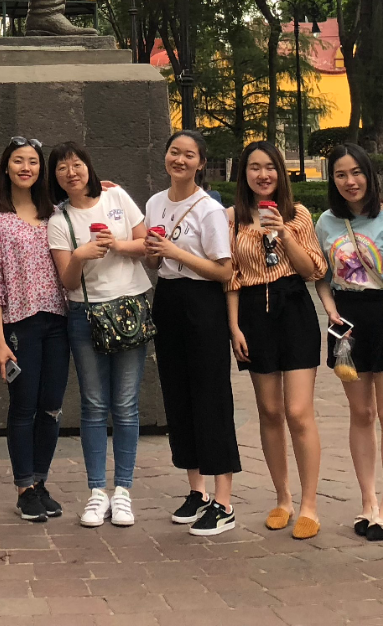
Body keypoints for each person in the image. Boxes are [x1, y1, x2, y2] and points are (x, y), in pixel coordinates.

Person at [314, 144, 383, 542]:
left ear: (370, 175)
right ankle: (367, 502)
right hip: (345, 324)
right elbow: (321, 274)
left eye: (357, 173)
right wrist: (329, 309)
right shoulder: (326, 221)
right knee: (360, 413)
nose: (350, 181)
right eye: (341, 174)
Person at [227, 140, 328, 540]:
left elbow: (315, 270)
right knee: (269, 411)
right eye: (254, 167)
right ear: (244, 174)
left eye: (270, 167)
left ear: (280, 173)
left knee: (298, 411)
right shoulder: (232, 218)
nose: (263, 174)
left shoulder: (297, 214)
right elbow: (231, 275)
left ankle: (310, 504)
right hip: (252, 314)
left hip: (293, 309)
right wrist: (233, 327)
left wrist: (284, 236)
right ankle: (283, 498)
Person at [48, 142, 151, 527]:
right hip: (85, 315)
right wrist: (80, 255)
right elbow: (67, 281)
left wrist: (116, 245)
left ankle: (122, 490)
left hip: (130, 308)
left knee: (125, 403)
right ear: (54, 177)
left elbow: (146, 246)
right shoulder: (59, 220)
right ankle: (96, 492)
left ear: (89, 167)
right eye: (61, 168)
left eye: (76, 165)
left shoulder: (117, 196)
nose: (71, 172)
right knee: (93, 404)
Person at [142, 131, 238, 537]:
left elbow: (224, 270)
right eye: (174, 152)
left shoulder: (209, 209)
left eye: (189, 155)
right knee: (177, 394)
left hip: (203, 304)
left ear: (201, 163)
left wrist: (175, 252)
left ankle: (224, 501)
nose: (179, 160)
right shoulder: (154, 203)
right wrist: (154, 254)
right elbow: (154, 259)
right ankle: (196, 490)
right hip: (168, 299)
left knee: (210, 395)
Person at [0, 136, 70, 522]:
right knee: (24, 406)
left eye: (33, 161)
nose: (26, 168)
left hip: (58, 320)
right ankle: (23, 487)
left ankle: (41, 480)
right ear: (6, 166)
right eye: (18, 161)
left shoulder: (57, 213)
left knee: (51, 405)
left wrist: (107, 188)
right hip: (19, 322)